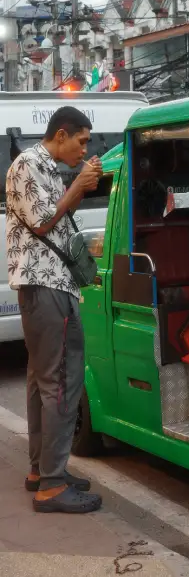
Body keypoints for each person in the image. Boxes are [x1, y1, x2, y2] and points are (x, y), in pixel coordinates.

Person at [5, 106, 103, 514]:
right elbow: (45, 221)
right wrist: (78, 184)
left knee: (41, 382)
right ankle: (52, 484)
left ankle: (42, 471)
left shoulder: (43, 166)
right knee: (60, 381)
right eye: (81, 141)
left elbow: (54, 221)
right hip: (46, 285)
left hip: (47, 284)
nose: (85, 149)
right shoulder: (28, 163)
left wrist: (78, 189)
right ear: (60, 135)